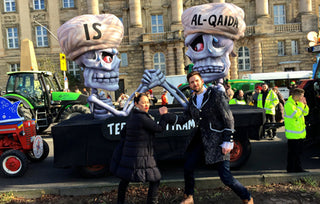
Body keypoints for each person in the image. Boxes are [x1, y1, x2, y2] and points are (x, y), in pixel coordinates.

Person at [162, 71, 253, 204]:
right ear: (190, 85)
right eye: (192, 82)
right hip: (201, 139)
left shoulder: (215, 94)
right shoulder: (192, 100)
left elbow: (228, 117)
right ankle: (189, 196)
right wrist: (166, 115)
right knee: (188, 166)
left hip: (219, 140)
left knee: (225, 177)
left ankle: (247, 197)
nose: (194, 84)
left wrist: (228, 140)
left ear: (202, 81)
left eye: (196, 81)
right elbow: (184, 119)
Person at [110, 92, 169, 204]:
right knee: (155, 179)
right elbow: (159, 129)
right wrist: (164, 115)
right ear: (136, 104)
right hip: (142, 155)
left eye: (147, 102)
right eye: (143, 103)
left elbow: (123, 133)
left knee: (125, 179)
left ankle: (120, 202)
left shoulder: (133, 116)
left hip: (131, 154)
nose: (146, 105)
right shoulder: (142, 118)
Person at [284, 88, 309, 173]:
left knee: (298, 153)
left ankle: (296, 168)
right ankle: (291, 169)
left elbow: (305, 113)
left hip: (300, 133)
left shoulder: (298, 103)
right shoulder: (288, 104)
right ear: (296, 95)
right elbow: (296, 115)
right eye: (302, 96)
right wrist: (301, 105)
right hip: (293, 134)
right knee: (293, 153)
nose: (303, 98)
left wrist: (305, 105)